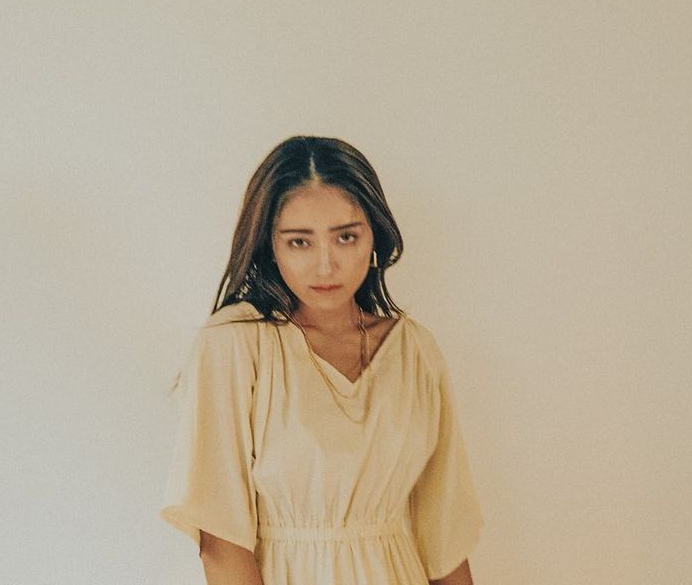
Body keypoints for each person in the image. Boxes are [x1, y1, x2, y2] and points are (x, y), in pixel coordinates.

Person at [161, 136, 484, 585]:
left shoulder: (414, 351)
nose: (326, 266)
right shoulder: (233, 345)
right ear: (269, 245)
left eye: (346, 237)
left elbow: (445, 540)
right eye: (300, 242)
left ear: (374, 236)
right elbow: (222, 545)